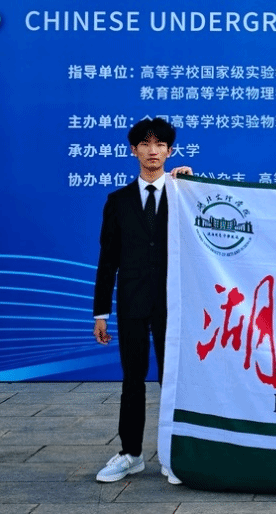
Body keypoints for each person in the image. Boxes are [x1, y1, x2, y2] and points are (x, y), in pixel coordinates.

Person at [92, 117, 191, 485]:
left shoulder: (183, 194)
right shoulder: (117, 202)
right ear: (133, 150)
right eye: (146, 144)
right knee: (132, 380)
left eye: (160, 144)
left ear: (170, 151)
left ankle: (172, 454)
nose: (153, 151)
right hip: (132, 302)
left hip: (173, 303)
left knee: (172, 380)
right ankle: (130, 454)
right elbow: (108, 260)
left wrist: (193, 183)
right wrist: (101, 312)